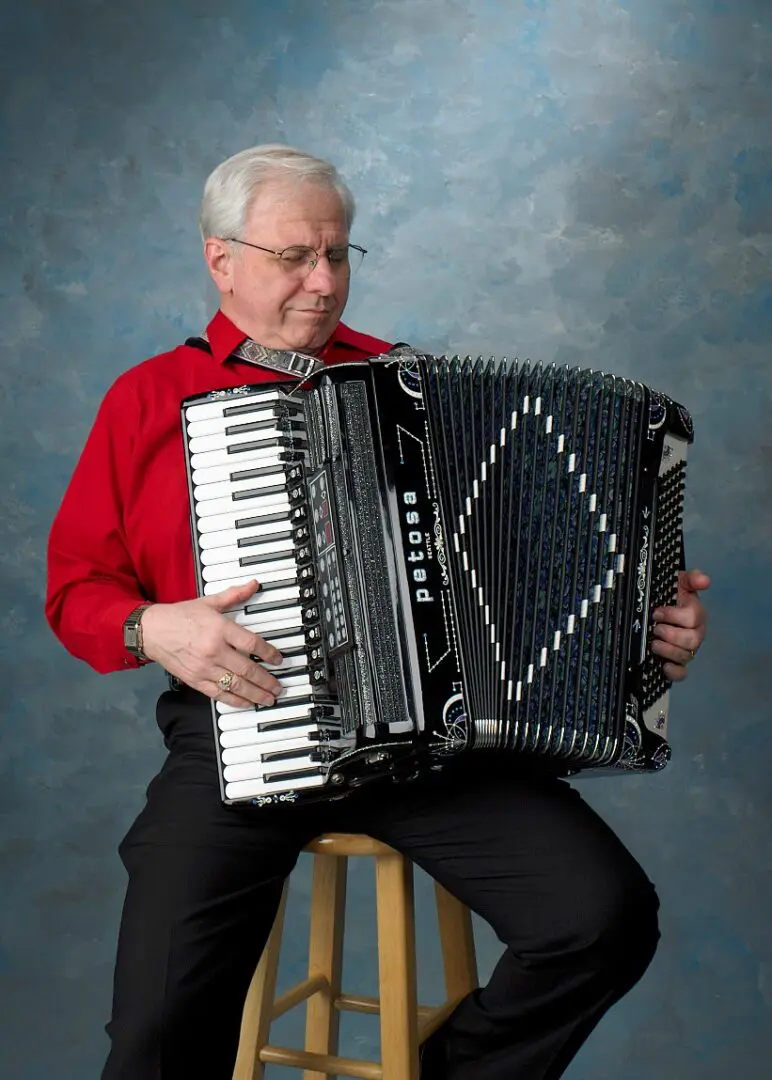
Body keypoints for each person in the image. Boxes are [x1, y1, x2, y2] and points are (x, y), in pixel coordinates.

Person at [45, 144, 710, 1080]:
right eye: (293, 257)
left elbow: (547, 566)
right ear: (220, 258)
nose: (323, 282)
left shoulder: (420, 389)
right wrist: (151, 626)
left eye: (340, 254)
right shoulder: (150, 397)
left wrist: (644, 626)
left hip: (429, 747)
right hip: (241, 724)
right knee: (157, 1030)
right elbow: (76, 588)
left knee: (601, 921)